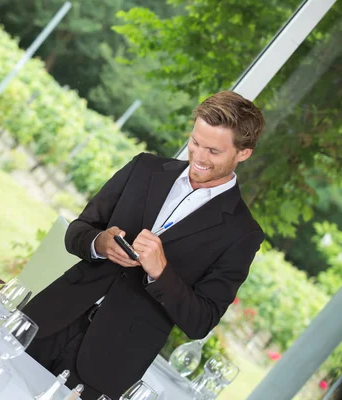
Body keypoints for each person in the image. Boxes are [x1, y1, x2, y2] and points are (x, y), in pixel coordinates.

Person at [23, 91, 265, 399]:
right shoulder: (144, 168)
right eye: (195, 142)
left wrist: (161, 272)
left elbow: (201, 321)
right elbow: (78, 231)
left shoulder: (242, 233)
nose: (199, 157)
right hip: (47, 320)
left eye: (214, 152)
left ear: (243, 153)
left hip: (110, 363)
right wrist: (99, 242)